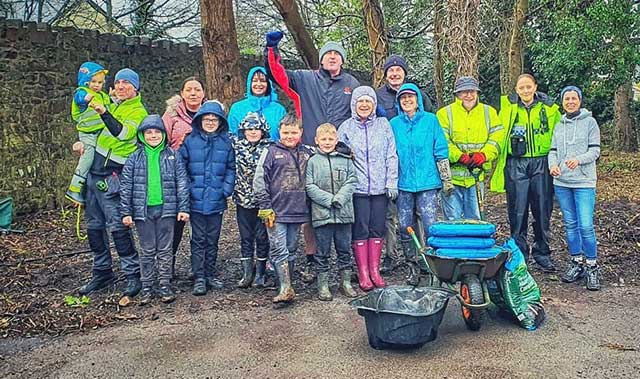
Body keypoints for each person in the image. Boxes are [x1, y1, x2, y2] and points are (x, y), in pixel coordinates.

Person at [265, 32, 359, 280]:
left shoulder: (352, 84)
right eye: (328, 53)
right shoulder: (305, 78)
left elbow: (366, 106)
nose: (332, 57)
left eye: (336, 54)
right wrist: (272, 49)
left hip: (340, 153)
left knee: (341, 206)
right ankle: (312, 258)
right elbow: (278, 75)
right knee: (310, 208)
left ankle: (344, 264)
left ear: (342, 60)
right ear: (320, 59)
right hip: (308, 150)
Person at [76, 68, 148, 301]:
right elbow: (90, 130)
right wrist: (80, 144)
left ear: (136, 88)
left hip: (113, 176)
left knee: (118, 227)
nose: (121, 86)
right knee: (94, 227)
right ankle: (102, 271)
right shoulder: (111, 103)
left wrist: (104, 111)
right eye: (118, 82)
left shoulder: (138, 111)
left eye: (127, 83)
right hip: (94, 174)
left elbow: (122, 133)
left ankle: (132, 274)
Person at [490, 73, 561, 271]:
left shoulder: (549, 108)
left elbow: (559, 135)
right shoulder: (508, 108)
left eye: (529, 87)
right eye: (521, 88)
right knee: (517, 211)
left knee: (542, 209)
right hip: (516, 163)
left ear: (535, 87)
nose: (525, 91)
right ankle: (519, 254)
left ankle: (542, 253)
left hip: (542, 161)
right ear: (516, 90)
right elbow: (497, 131)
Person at [120, 114, 190, 304]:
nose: (153, 136)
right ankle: (147, 286)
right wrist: (126, 212)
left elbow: (182, 182)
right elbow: (126, 185)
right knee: (147, 249)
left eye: (157, 132)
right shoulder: (134, 158)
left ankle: (165, 283)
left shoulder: (173, 156)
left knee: (166, 249)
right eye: (148, 132)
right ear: (142, 135)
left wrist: (183, 208)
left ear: (164, 134)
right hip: (143, 211)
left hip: (166, 209)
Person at [375, 54, 434, 274]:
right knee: (393, 216)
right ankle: (392, 256)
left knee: (421, 216)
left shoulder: (419, 95)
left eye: (399, 69)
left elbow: (430, 128)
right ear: (386, 74)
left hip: (421, 169)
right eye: (390, 70)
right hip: (394, 169)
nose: (394, 73)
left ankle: (422, 256)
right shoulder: (378, 96)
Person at [390, 83, 452, 285]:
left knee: (430, 225)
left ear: (418, 100)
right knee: (405, 226)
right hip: (403, 183)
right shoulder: (393, 124)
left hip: (427, 182)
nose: (407, 100)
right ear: (398, 101)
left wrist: (446, 179)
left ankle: (434, 266)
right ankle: (413, 266)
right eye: (403, 98)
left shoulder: (431, 121)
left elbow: (441, 149)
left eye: (411, 97)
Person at [338, 86, 398, 291]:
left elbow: (391, 154)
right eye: (360, 102)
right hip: (358, 189)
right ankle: (363, 272)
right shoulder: (346, 127)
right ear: (354, 105)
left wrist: (391, 182)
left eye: (368, 101)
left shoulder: (383, 125)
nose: (364, 105)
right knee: (361, 229)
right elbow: (340, 156)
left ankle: (375, 269)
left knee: (378, 227)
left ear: (374, 104)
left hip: (381, 188)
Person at [253, 114, 314, 304]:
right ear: (279, 132)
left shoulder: (307, 152)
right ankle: (284, 286)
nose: (289, 136)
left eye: (294, 132)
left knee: (291, 247)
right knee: (279, 249)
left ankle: (290, 283)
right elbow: (259, 180)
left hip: (297, 210)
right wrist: (265, 206)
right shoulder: (270, 152)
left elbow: (329, 148)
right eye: (286, 132)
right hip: (275, 211)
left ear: (301, 133)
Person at [179, 101, 236, 296]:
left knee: (212, 239)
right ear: (199, 120)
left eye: (214, 119)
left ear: (220, 122)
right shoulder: (189, 141)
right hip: (195, 199)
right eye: (207, 119)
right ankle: (199, 276)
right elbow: (181, 167)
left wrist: (225, 189)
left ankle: (210, 273)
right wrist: (188, 189)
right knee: (198, 239)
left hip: (216, 199)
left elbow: (231, 168)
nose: (210, 122)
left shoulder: (226, 142)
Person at [548, 86, 601, 290]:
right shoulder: (559, 124)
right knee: (570, 224)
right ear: (562, 102)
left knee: (585, 225)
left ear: (580, 100)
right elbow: (553, 150)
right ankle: (576, 261)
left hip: (584, 182)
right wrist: (552, 165)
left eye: (574, 98)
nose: (570, 101)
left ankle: (592, 266)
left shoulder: (590, 122)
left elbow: (595, 151)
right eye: (566, 99)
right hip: (562, 183)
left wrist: (578, 160)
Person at [436, 76, 503, 221]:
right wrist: (460, 156)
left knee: (475, 220)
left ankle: (473, 244)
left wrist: (484, 155)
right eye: (463, 92)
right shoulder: (444, 114)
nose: (468, 95)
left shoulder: (489, 112)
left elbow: (497, 138)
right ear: (457, 95)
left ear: (477, 93)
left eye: (471, 91)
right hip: (451, 178)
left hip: (476, 177)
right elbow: (442, 141)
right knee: (452, 221)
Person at [305, 123, 359, 301]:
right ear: (316, 141)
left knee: (344, 249)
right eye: (323, 139)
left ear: (336, 140)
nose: (327, 142)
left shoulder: (345, 159)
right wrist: (328, 200)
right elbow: (309, 185)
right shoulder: (312, 161)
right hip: (322, 215)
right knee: (323, 251)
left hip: (344, 214)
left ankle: (345, 283)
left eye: (330, 139)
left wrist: (340, 198)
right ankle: (323, 285)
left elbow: (352, 180)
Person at [162, 76, 206, 276]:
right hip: (175, 176)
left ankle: (198, 267)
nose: (193, 94)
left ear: (203, 94)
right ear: (182, 93)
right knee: (175, 223)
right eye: (189, 90)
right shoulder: (171, 115)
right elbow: (161, 142)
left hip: (201, 175)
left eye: (197, 90)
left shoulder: (209, 115)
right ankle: (167, 266)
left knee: (199, 225)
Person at [231, 112, 272, 288]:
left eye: (257, 128)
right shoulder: (236, 145)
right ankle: (247, 273)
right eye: (249, 129)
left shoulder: (271, 148)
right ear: (243, 130)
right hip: (242, 200)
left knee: (262, 237)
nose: (253, 132)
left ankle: (261, 273)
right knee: (246, 236)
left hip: (263, 201)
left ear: (263, 130)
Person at [66, 62, 111, 205]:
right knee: (87, 158)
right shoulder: (82, 92)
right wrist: (86, 99)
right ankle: (74, 188)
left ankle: (87, 188)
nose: (97, 85)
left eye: (100, 82)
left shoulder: (102, 96)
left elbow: (111, 107)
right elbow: (80, 99)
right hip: (87, 134)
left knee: (96, 162)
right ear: (85, 81)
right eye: (93, 82)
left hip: (100, 134)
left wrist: (113, 96)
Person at [228, 67, 286, 141]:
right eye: (254, 81)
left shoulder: (279, 109)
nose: (258, 84)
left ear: (268, 84)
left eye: (262, 81)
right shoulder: (237, 108)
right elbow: (232, 135)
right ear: (249, 83)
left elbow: (285, 135)